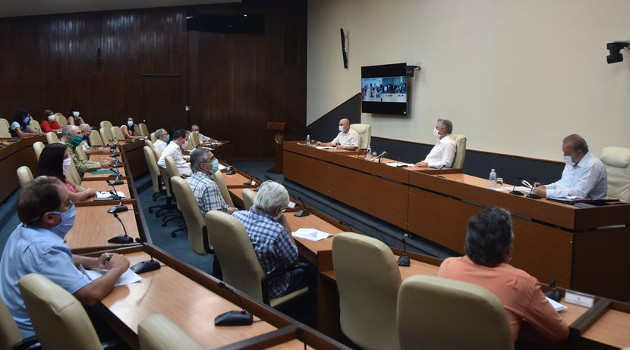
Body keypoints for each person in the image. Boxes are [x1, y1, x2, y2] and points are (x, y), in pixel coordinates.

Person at [0, 176, 130, 338]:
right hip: (42, 338)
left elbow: (54, 260)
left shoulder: (22, 229)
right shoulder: (46, 249)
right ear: (49, 218)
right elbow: (90, 295)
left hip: (23, 323)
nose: (72, 207)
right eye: (68, 203)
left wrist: (95, 263)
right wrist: (117, 268)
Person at [438, 207, 569, 343]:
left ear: (469, 241)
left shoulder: (447, 266)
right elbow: (560, 332)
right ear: (507, 249)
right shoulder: (521, 283)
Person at [232, 181, 309, 299]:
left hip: (240, 278)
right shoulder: (276, 232)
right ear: (277, 210)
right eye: (282, 209)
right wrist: (287, 230)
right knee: (309, 270)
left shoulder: (237, 216)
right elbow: (293, 260)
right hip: (270, 287)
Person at [532, 134, 607, 199]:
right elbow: (563, 184)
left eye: (566, 153)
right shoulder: (572, 161)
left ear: (579, 153)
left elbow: (579, 193)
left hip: (590, 209)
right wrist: (545, 188)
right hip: (570, 205)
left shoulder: (593, 165)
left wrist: (547, 193)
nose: (564, 156)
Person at [187, 148, 237, 215]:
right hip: (217, 223)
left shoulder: (189, 179)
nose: (216, 160)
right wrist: (235, 210)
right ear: (203, 166)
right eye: (212, 158)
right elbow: (216, 215)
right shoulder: (209, 185)